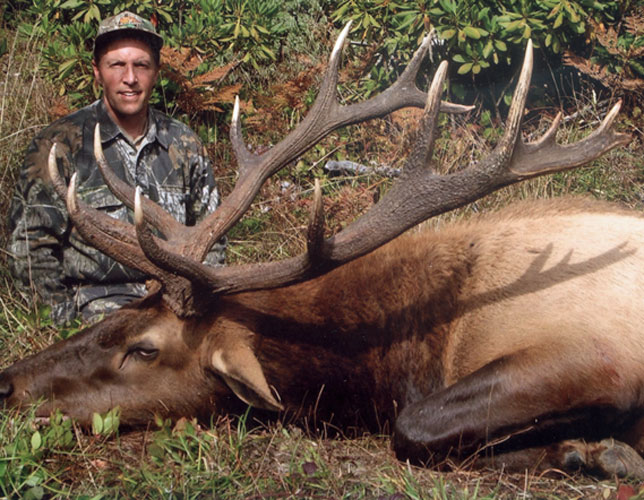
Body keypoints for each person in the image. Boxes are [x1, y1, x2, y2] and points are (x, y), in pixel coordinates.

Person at [7, 11, 225, 324]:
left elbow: (212, 237)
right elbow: (30, 249)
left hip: (176, 310)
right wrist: (63, 328)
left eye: (141, 65)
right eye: (117, 65)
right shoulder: (58, 145)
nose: (130, 78)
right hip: (94, 315)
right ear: (97, 72)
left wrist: (201, 306)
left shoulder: (184, 143)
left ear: (156, 71)